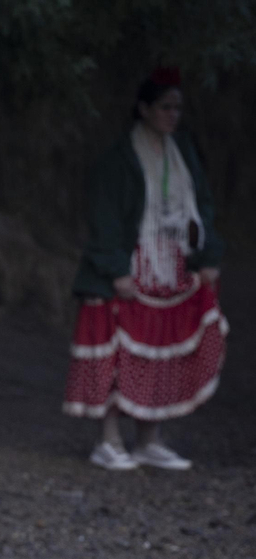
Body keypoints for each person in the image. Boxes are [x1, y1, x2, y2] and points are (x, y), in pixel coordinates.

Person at [64, 66, 229, 471]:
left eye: (177, 108)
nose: (173, 115)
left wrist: (206, 255)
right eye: (165, 107)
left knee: (161, 351)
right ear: (143, 109)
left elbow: (201, 206)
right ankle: (109, 440)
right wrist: (116, 269)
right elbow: (106, 218)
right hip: (133, 265)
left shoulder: (183, 150)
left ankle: (149, 438)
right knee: (120, 351)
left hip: (172, 264)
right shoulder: (119, 159)